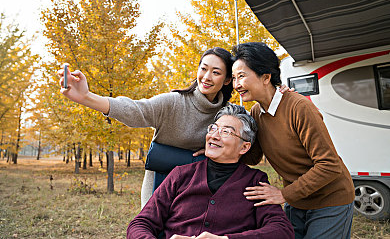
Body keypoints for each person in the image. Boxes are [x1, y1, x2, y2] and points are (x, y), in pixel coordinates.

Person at [58, 47, 234, 208]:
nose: (207, 77)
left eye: (216, 72)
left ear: (227, 80)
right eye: (203, 69)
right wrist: (86, 97)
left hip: (200, 192)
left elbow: (246, 147)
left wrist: (219, 149)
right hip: (159, 187)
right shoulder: (173, 102)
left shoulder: (227, 115)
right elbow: (134, 110)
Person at [231, 42, 355, 239]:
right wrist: (225, 144)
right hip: (298, 200)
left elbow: (329, 165)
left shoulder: (299, 108)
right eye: (234, 78)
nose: (236, 84)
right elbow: (253, 157)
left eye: (242, 76)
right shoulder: (255, 112)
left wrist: (283, 194)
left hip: (331, 198)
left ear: (265, 77)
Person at [127, 104, 294, 239]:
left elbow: (282, 231)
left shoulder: (255, 181)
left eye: (226, 131)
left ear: (244, 147)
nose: (214, 135)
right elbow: (140, 224)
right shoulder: (180, 175)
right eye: (213, 128)